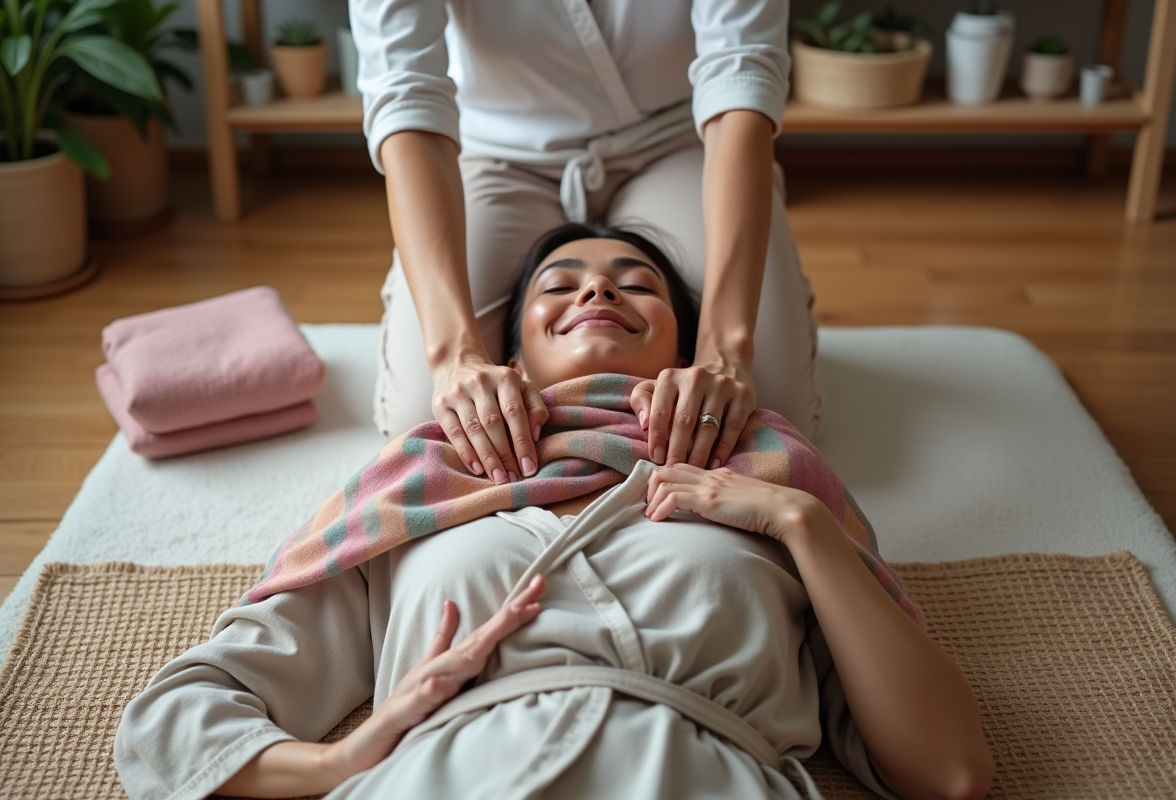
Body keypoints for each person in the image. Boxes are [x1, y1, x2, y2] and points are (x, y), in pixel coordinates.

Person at [114, 226, 993, 800]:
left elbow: (949, 772)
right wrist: (341, 761)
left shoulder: (772, 471)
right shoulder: (421, 481)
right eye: (559, 286)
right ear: (514, 356)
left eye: (635, 284)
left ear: (684, 347)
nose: (597, 293)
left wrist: (795, 522)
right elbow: (175, 721)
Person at [352, 0, 825, 492]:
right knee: (425, 418)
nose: (598, 289)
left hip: (681, 132)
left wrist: (727, 349)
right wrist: (454, 356)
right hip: (489, 142)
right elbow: (403, 91)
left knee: (767, 406)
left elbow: (742, 67)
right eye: (563, 286)